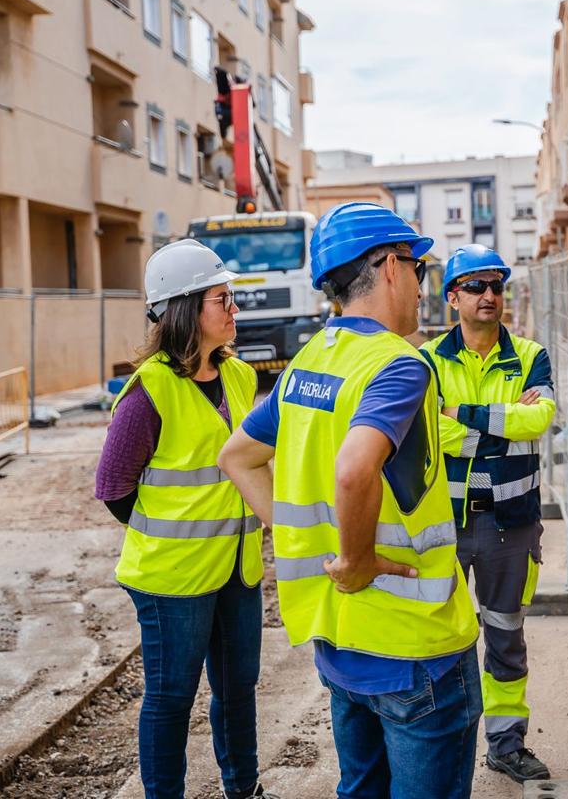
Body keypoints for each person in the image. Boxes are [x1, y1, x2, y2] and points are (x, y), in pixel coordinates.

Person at [217, 202, 481, 799]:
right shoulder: (398, 364)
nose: (421, 284)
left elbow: (237, 457)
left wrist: (300, 538)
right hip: (415, 649)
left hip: (340, 645)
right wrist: (356, 558)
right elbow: (355, 468)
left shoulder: (308, 362)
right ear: (390, 266)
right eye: (418, 267)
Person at [94, 239, 272, 799]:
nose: (234, 309)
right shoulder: (149, 391)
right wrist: (170, 532)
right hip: (174, 579)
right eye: (223, 298)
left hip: (237, 571)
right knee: (171, 698)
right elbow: (112, 487)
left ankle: (244, 788)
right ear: (185, 309)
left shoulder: (242, 378)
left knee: (238, 688)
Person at [418, 245, 555, 783]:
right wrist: (498, 423)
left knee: (505, 636)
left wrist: (464, 417)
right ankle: (443, 741)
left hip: (510, 523)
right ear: (452, 296)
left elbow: (537, 419)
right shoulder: (428, 361)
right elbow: (430, 428)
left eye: (496, 285)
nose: (489, 296)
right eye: (475, 286)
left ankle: (505, 743)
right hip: (446, 523)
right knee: (440, 640)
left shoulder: (529, 356)